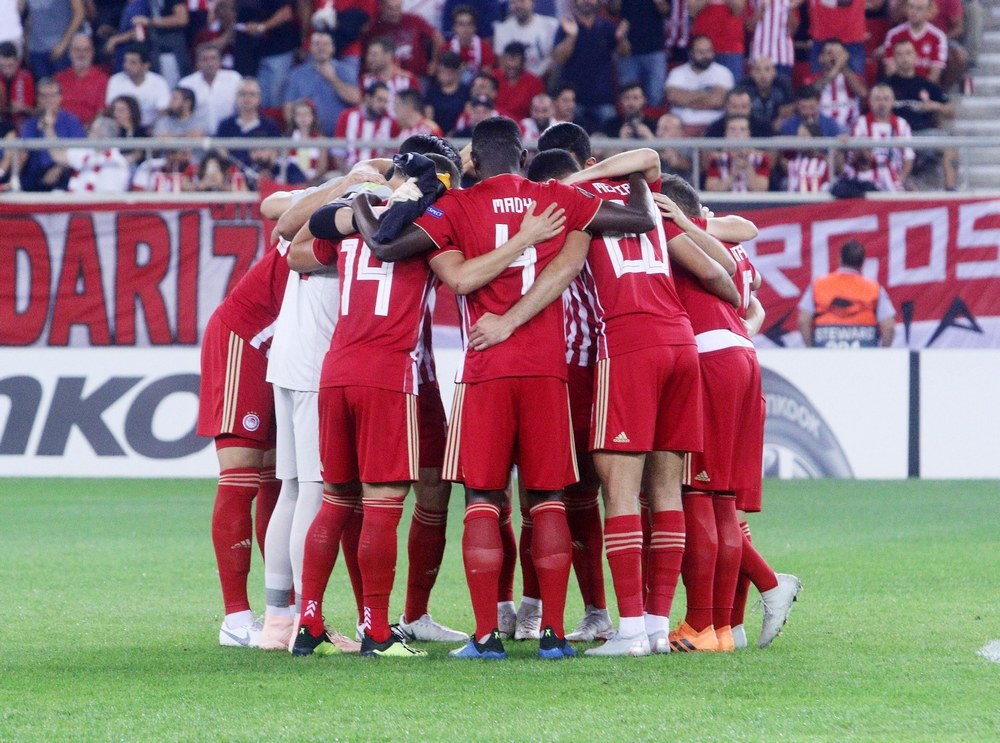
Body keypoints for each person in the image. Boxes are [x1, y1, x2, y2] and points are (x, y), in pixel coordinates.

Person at [352, 115, 659, 660]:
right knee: (548, 500)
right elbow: (639, 218)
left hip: (485, 367)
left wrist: (361, 197)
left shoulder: (456, 206)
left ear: (472, 159)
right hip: (547, 370)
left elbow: (386, 246)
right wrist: (632, 174)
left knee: (483, 499)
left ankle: (486, 637)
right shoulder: (555, 198)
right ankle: (554, 636)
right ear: (523, 155)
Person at [656, 175, 802, 651]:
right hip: (741, 356)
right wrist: (744, 327)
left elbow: (729, 275)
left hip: (707, 357)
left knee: (697, 493)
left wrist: (683, 222)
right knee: (722, 500)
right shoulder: (728, 244)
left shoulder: (678, 236)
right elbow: (751, 296)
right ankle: (724, 626)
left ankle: (707, 621)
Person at [196, 229, 288, 648]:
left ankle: (282, 614)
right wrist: (345, 190)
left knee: (279, 481)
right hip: (245, 337)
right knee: (241, 477)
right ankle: (235, 619)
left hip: (284, 351)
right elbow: (279, 213)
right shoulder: (334, 215)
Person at [798, 239, 896, 348]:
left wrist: (811, 349)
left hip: (825, 353)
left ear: (839, 258)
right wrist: (882, 352)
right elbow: (889, 327)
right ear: (862, 263)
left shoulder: (818, 285)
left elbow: (803, 320)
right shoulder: (874, 288)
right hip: (865, 354)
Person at [885, 38, 956, 190]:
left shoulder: (926, 85)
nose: (904, 58)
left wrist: (935, 106)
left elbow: (950, 111)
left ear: (915, 56)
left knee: (950, 145)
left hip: (922, 133)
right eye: (900, 54)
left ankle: (951, 190)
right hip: (895, 135)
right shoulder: (886, 85)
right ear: (894, 58)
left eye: (908, 53)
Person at [552, 0, 623, 133]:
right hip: (574, 100)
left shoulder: (607, 26)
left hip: (603, 98)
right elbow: (559, 58)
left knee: (611, 138)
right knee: (573, 140)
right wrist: (572, 37)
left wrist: (621, 38)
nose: (586, 1)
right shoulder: (567, 25)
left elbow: (624, 53)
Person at [19, 77, 86, 192]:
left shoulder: (71, 121)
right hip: (36, 174)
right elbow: (23, 153)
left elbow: (79, 153)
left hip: (64, 171)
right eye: (44, 96)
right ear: (38, 99)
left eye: (52, 96)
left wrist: (59, 168)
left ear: (60, 97)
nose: (48, 100)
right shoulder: (31, 124)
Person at [845, 84, 914, 192]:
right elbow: (853, 154)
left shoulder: (902, 124)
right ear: (870, 102)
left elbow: (908, 157)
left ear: (893, 102)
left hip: (895, 176)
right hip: (866, 175)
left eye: (886, 99)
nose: (882, 103)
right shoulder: (860, 123)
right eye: (878, 99)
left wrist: (900, 179)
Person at [233, 0, 300, 109]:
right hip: (252, 53)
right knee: (258, 98)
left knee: (275, 96)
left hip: (278, 49)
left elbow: (286, 12)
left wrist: (262, 27)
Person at [664, 35, 734, 136]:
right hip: (681, 127)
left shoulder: (723, 72)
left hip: (713, 128)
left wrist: (685, 99)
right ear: (691, 53)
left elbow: (717, 101)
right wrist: (706, 93)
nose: (705, 55)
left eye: (708, 51)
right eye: (700, 52)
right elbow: (673, 97)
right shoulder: (677, 72)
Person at [363, 0, 445, 79]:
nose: (394, 12)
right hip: (387, 78)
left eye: (397, 8)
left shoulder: (414, 20)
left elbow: (438, 39)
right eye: (390, 8)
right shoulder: (374, 28)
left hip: (418, 75)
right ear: (381, 7)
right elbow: (366, 55)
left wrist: (434, 62)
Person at [215, 77, 282, 169]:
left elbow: (275, 155)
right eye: (243, 94)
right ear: (236, 97)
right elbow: (220, 153)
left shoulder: (270, 126)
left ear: (259, 98)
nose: (247, 98)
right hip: (231, 173)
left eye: (252, 94)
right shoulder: (225, 125)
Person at [612, 0, 669, 107]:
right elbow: (613, 8)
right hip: (627, 50)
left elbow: (665, 10)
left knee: (656, 96)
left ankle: (651, 119)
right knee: (629, 97)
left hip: (654, 49)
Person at [332, 81, 400, 171]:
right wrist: (347, 174)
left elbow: (392, 154)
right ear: (368, 98)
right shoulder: (347, 116)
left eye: (385, 101)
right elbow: (338, 151)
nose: (383, 105)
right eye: (379, 100)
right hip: (349, 171)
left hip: (378, 174)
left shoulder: (391, 123)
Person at [880, 0, 950, 86]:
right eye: (911, 7)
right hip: (899, 87)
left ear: (929, 12)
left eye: (919, 9)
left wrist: (921, 90)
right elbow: (890, 69)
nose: (913, 12)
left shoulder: (938, 36)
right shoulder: (894, 34)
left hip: (925, 88)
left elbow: (935, 72)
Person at [178, 43, 242, 135]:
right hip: (197, 137)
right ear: (198, 63)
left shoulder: (234, 79)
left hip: (228, 136)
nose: (210, 63)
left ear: (220, 61)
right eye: (205, 59)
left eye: (213, 58)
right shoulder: (186, 84)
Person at [105, 45, 171, 129]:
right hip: (122, 128)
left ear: (145, 65)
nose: (126, 66)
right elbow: (111, 109)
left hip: (151, 129)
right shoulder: (115, 80)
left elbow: (163, 112)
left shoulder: (159, 82)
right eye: (125, 61)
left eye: (132, 62)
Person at [492, 0, 560, 80]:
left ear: (532, 3)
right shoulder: (502, 29)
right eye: (513, 3)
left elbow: (557, 58)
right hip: (515, 82)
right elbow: (502, 64)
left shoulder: (551, 25)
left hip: (546, 78)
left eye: (522, 1)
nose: (518, 6)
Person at [54, 33, 110, 127]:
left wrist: (86, 129)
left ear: (92, 52)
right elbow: (52, 108)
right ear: (70, 52)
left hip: (90, 130)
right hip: (62, 129)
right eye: (77, 50)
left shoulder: (103, 80)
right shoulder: (58, 78)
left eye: (86, 50)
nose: (81, 54)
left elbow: (101, 112)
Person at [704, 116, 771, 193]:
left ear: (749, 134)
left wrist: (748, 168)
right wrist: (733, 174)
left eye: (742, 129)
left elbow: (761, 190)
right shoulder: (717, 159)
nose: (737, 133)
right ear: (726, 134)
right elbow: (712, 191)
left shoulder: (761, 158)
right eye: (733, 129)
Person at [689, 0, 747, 84]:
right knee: (699, 86)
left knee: (734, 87)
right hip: (702, 46)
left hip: (731, 46)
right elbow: (692, 11)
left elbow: (738, 10)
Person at [24, 0, 84, 79]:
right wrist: (27, 46)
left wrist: (64, 43)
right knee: (42, 85)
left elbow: (79, 13)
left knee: (63, 84)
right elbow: (28, 16)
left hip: (60, 49)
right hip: (36, 49)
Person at [359, 35, 419, 115]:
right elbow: (362, 109)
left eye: (374, 55)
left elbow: (416, 110)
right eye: (369, 54)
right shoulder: (366, 80)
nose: (369, 58)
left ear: (388, 56)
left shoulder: (408, 80)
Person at [808, 0, 867, 75]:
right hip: (821, 35)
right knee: (818, 78)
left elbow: (846, 2)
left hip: (851, 37)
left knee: (856, 78)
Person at [739, 56, 795, 134]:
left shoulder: (783, 85)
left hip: (775, 126)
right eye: (757, 70)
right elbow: (739, 110)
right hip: (750, 126)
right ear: (751, 73)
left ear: (774, 72)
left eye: (767, 69)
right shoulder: (744, 86)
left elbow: (788, 110)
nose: (763, 75)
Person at [745, 0, 796, 83]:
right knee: (757, 88)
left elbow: (794, 29)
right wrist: (762, 9)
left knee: (782, 87)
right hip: (759, 54)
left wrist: (789, 10)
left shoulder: (788, 1)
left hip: (783, 55)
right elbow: (749, 26)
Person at [494, 42, 545, 122]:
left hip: (523, 126)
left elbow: (538, 110)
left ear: (523, 62)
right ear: (503, 61)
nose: (511, 65)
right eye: (509, 61)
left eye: (515, 62)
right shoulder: (493, 77)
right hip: (495, 124)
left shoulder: (534, 82)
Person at [282, 98, 329, 183]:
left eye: (306, 114)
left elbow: (322, 167)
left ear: (313, 116)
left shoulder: (320, 139)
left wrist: (310, 181)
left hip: (314, 182)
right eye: (299, 114)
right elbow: (284, 162)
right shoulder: (288, 139)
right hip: (292, 182)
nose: (302, 118)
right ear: (294, 117)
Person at [445, 3, 494, 84]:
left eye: (469, 24)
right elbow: (444, 78)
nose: (465, 29)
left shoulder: (484, 47)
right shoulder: (447, 48)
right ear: (454, 28)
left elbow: (486, 76)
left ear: (475, 27)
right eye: (461, 24)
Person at [424, 51, 468, 134]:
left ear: (456, 72)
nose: (443, 75)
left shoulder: (465, 92)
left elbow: (466, 116)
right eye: (441, 71)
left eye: (448, 72)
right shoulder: (432, 91)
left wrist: (453, 134)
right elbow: (428, 115)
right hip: (436, 134)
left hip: (458, 135)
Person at [703, 88, 773, 139]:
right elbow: (707, 152)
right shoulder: (716, 128)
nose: (739, 111)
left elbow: (771, 151)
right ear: (726, 106)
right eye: (734, 106)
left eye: (744, 106)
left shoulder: (763, 127)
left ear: (751, 106)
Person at [777, 84, 843, 137]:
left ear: (818, 103)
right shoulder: (788, 125)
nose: (808, 112)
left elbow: (838, 147)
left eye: (812, 107)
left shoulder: (830, 124)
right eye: (804, 108)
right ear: (797, 105)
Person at [0, 40, 35, 128]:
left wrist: (23, 108)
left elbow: (36, 111)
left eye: (10, 66)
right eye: (2, 66)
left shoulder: (26, 77)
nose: (6, 71)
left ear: (17, 61)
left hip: (23, 123)